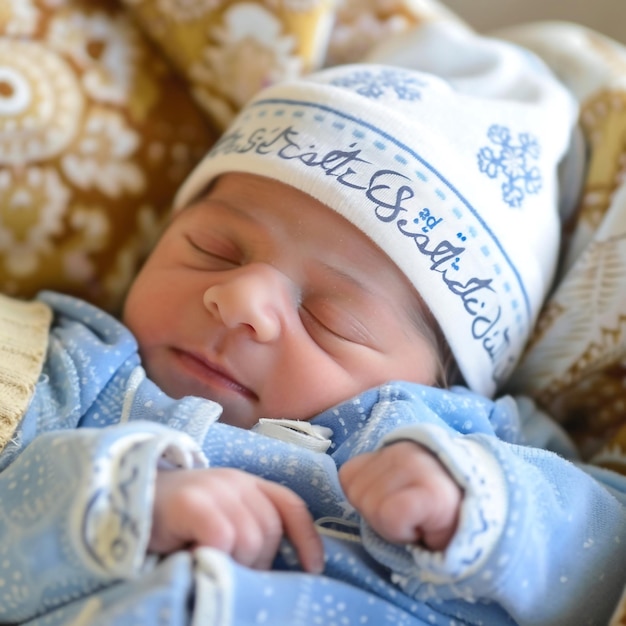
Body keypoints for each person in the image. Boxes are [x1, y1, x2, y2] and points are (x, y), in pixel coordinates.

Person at [0, 21, 625, 626]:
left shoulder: (471, 442)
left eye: (332, 317)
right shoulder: (69, 372)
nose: (242, 299)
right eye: (213, 249)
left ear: (446, 380)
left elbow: (606, 563)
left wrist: (483, 506)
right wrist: (117, 508)